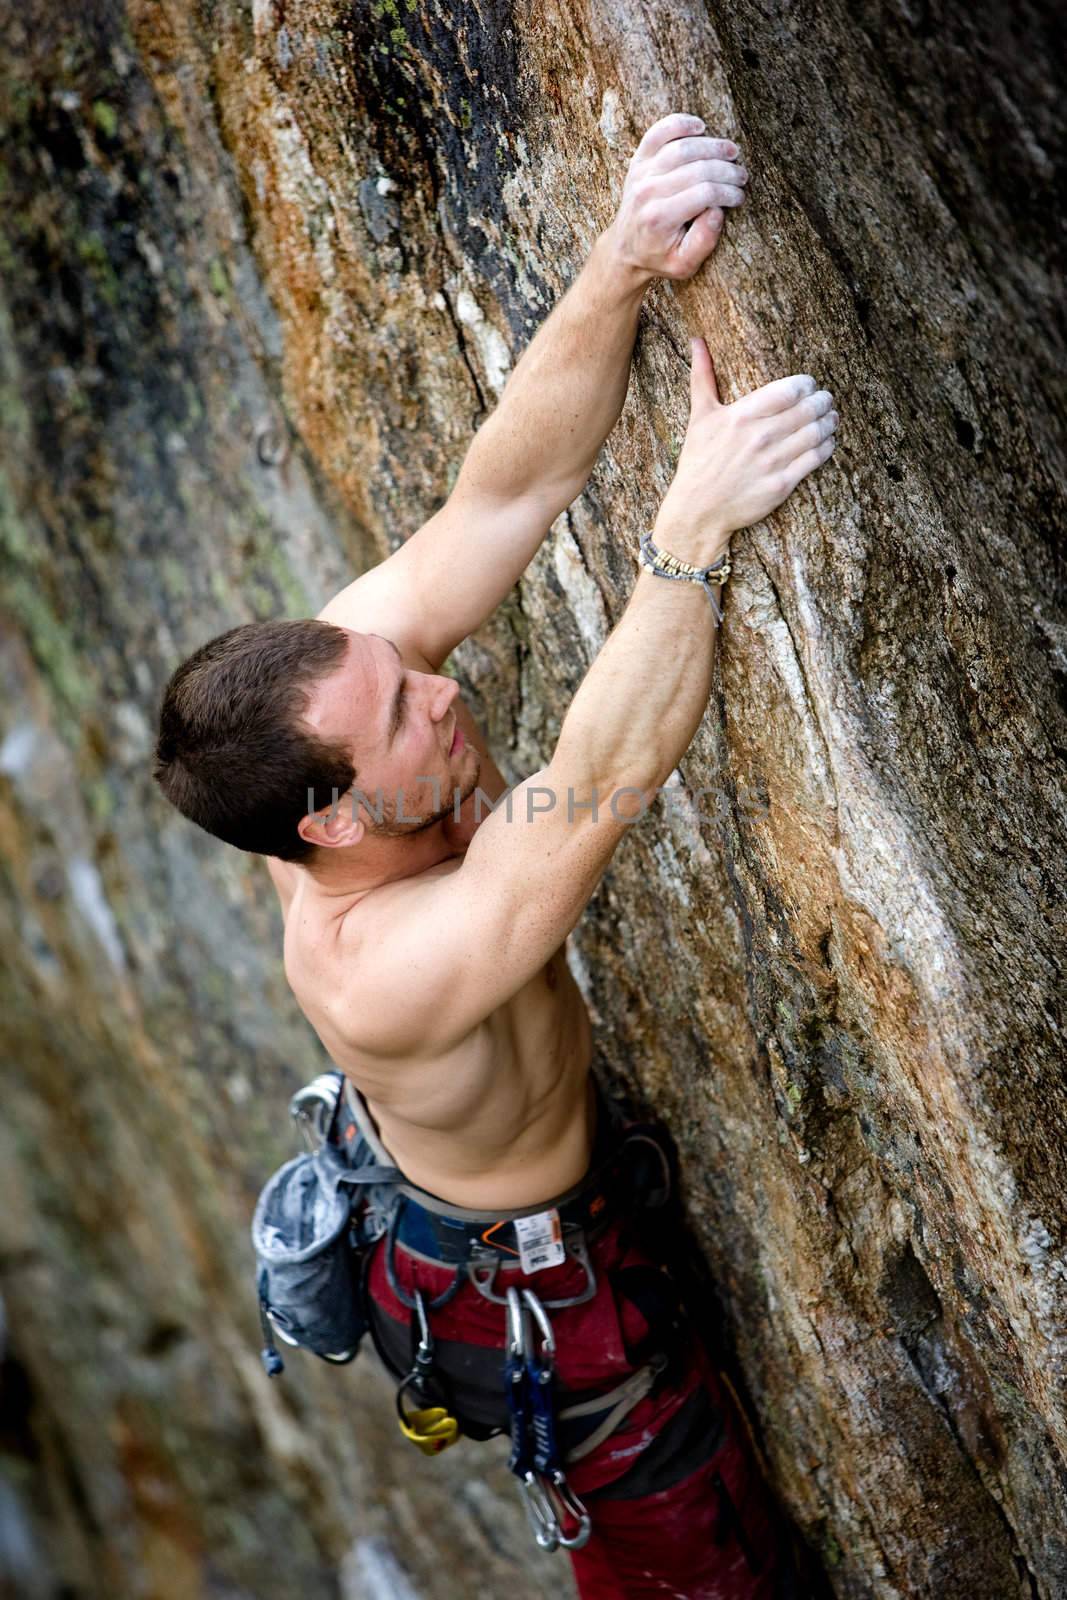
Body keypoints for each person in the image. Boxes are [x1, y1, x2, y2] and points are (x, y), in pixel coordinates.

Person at [154, 110, 837, 1597]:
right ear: (325, 823)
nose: (440, 683)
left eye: (396, 665)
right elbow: (589, 794)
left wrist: (619, 263)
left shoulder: (329, 705)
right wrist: (690, 533)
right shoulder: (377, 971)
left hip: (525, 1199)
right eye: (402, 710)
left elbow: (503, 496)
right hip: (543, 1317)